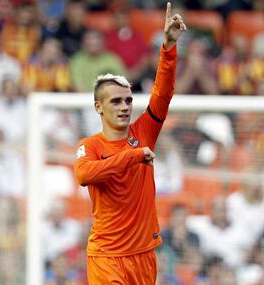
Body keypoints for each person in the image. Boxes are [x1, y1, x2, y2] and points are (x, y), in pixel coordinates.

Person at [72, 4, 186, 283]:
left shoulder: (144, 132)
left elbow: (162, 94)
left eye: (128, 100)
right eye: (115, 101)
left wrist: (168, 45)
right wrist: (133, 156)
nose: (124, 107)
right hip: (107, 256)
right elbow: (84, 174)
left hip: (143, 253)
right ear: (99, 107)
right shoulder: (90, 146)